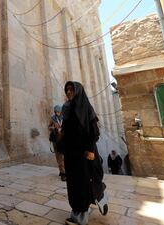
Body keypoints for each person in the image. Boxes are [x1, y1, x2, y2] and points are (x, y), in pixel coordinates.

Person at [61, 81, 108, 225]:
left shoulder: (86, 108)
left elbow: (94, 132)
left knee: (84, 183)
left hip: (84, 153)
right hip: (71, 154)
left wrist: (90, 150)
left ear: (78, 91)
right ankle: (81, 209)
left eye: (71, 89)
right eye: (67, 90)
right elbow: (66, 131)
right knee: (73, 185)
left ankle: (80, 217)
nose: (68, 92)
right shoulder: (67, 108)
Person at [48, 104, 66, 181]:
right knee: (59, 157)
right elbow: (49, 127)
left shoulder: (64, 118)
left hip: (63, 140)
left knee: (64, 157)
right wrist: (54, 128)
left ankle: (64, 171)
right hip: (56, 140)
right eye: (56, 112)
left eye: (58, 112)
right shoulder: (53, 119)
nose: (57, 113)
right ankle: (63, 173)